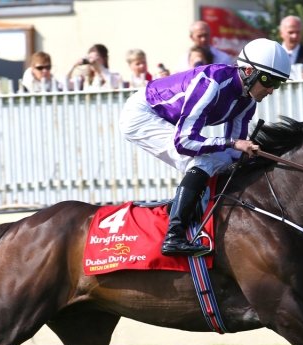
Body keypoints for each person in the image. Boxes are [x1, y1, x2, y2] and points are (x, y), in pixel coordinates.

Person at [119, 38, 290, 256]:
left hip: (168, 120)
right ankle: (174, 236)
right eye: (268, 80)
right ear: (248, 71)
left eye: (278, 83)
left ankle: (199, 213)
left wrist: (249, 155)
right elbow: (185, 142)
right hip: (142, 115)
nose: (271, 89)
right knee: (204, 159)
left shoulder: (247, 101)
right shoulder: (211, 84)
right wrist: (232, 143)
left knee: (224, 158)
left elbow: (234, 154)